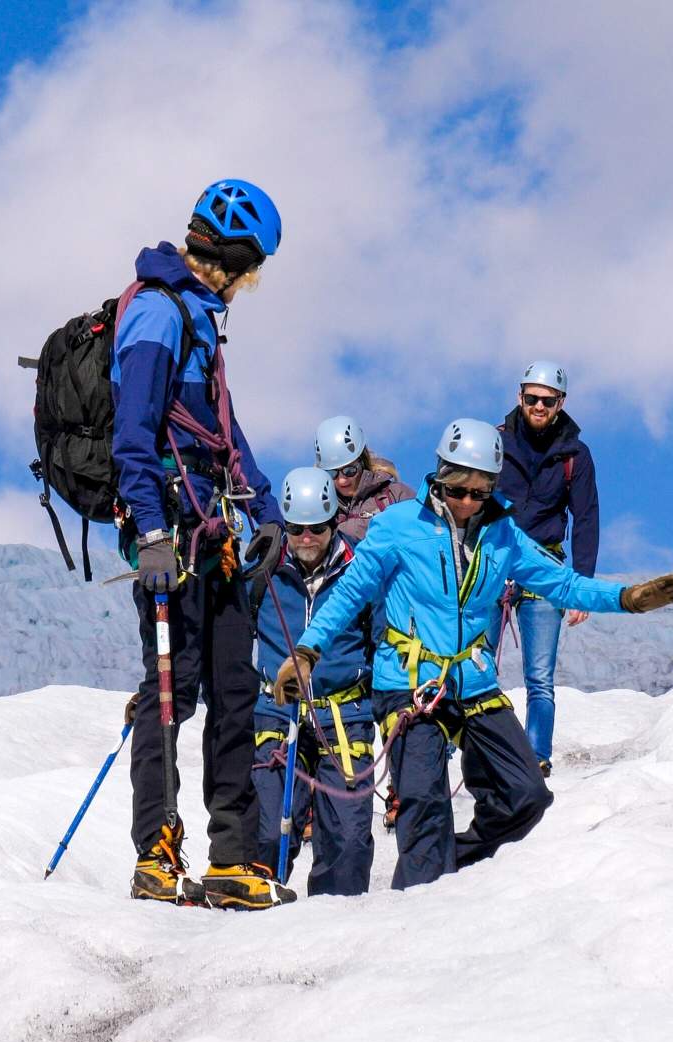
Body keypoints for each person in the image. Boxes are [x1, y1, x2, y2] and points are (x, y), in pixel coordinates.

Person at [272, 419, 673, 890]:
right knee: (424, 805)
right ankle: (418, 908)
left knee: (527, 795)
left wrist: (627, 598)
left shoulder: (503, 534)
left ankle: (449, 860)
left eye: (480, 492)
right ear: (439, 479)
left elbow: (562, 583)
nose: (468, 502)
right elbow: (350, 593)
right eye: (458, 491)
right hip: (410, 684)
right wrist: (307, 650)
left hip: (473, 683)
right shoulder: (396, 528)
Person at [115, 179, 294, 910]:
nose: (254, 280)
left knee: (233, 692)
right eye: (252, 262)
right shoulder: (157, 314)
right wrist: (152, 536)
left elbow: (221, 431)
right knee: (170, 693)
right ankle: (155, 856)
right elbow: (133, 436)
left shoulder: (199, 318)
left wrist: (267, 509)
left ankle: (232, 859)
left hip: (214, 535)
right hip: (170, 542)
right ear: (232, 250)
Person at [249, 468, 378, 897]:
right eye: (297, 528)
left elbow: (382, 639)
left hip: (345, 716)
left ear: (333, 522)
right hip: (277, 711)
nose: (306, 537)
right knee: (268, 830)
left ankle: (334, 931)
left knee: (349, 841)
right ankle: (257, 918)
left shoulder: (361, 571)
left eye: (317, 528)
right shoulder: (261, 570)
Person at [496, 363, 599, 775]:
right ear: (519, 396)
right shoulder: (494, 443)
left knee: (539, 676)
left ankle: (536, 757)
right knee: (475, 661)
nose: (539, 406)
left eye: (548, 400)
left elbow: (586, 517)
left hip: (545, 567)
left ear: (561, 403)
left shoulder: (575, 455)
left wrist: (582, 585)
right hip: (492, 565)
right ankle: (469, 748)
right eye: (532, 397)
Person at [313, 415, 414, 542]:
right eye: (332, 473)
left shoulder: (395, 495)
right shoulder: (318, 508)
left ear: (362, 461)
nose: (342, 480)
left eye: (349, 471)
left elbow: (422, 539)